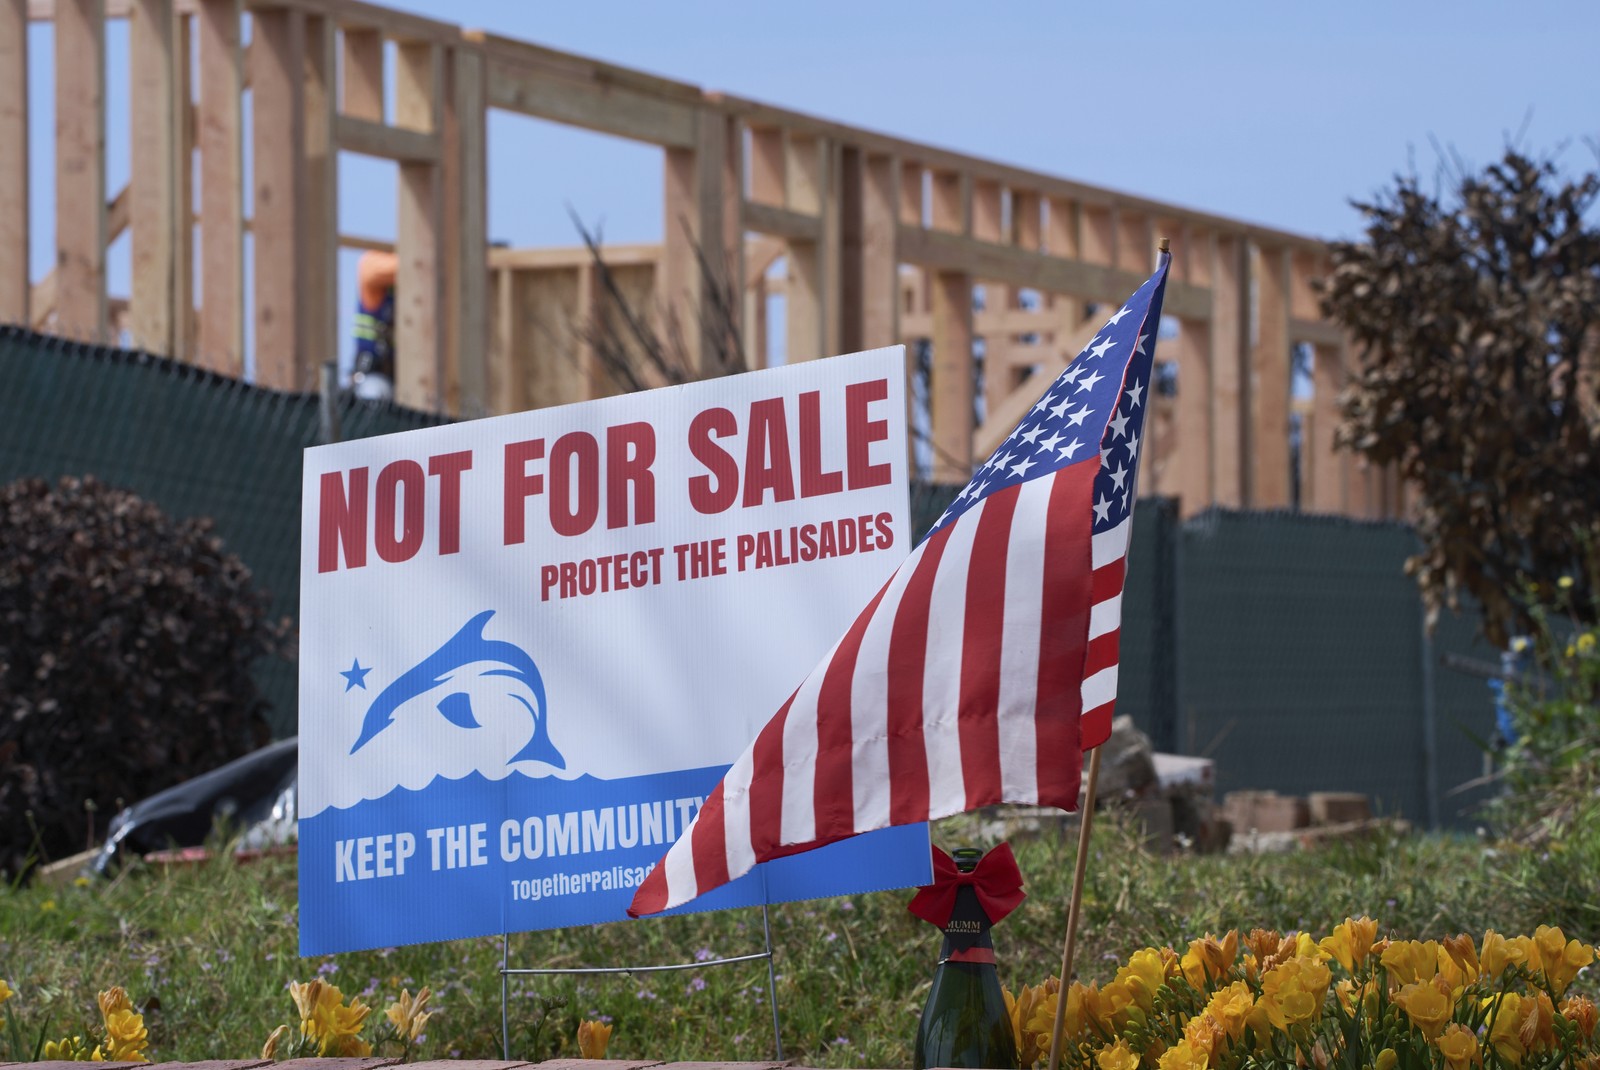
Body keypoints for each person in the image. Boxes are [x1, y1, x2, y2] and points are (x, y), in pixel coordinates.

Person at [351, 250, 398, 401]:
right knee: (377, 395)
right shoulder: (372, 266)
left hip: (399, 379)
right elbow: (368, 267)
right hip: (373, 377)